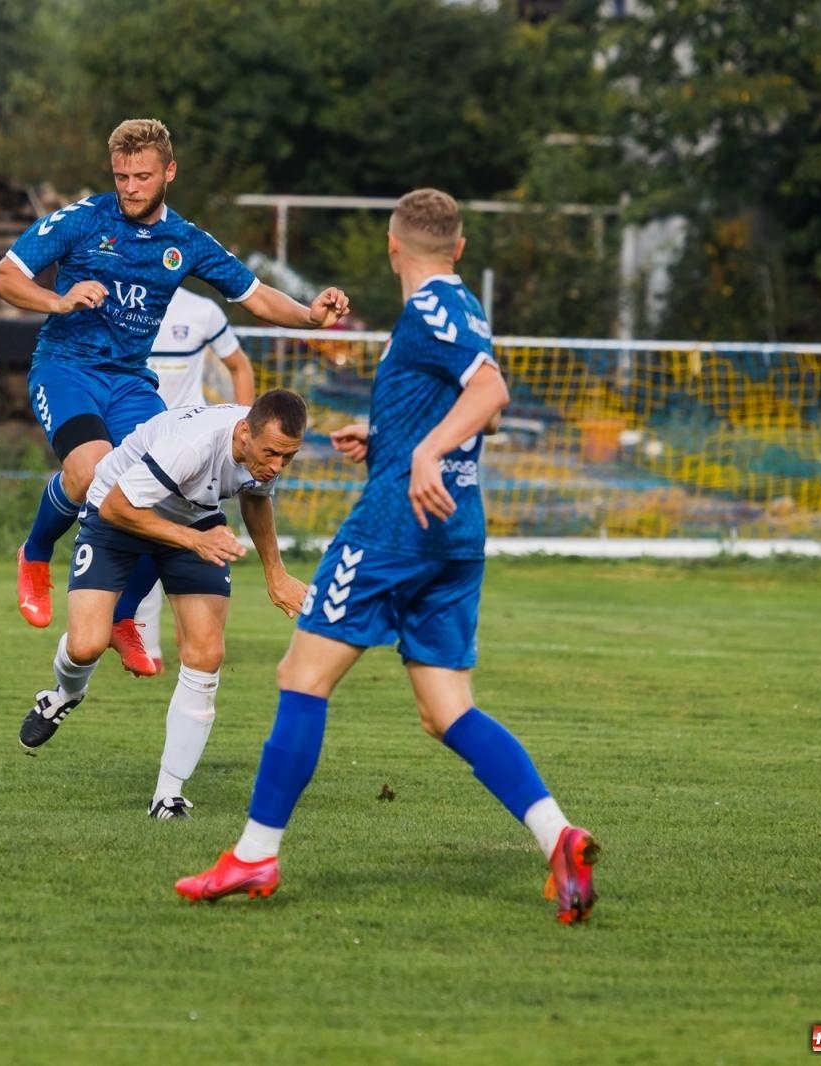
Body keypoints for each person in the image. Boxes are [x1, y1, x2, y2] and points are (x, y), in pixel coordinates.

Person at [174, 189, 600, 924]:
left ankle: (253, 854)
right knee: (446, 711)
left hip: (393, 532)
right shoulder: (467, 309)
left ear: (392, 247)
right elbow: (488, 412)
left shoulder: (430, 309)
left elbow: (489, 391)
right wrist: (393, 442)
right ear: (460, 248)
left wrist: (424, 453)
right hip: (457, 532)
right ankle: (558, 837)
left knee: (301, 676)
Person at [0, 118, 347, 679]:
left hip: (131, 379)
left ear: (169, 173)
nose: (130, 187)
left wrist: (309, 316)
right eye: (121, 176)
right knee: (89, 475)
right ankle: (35, 554)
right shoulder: (83, 220)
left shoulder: (184, 240)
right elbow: (4, 277)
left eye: (142, 176)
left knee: (171, 492)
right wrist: (58, 302)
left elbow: (253, 296)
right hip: (67, 368)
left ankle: (124, 616)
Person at [18, 390, 309, 821]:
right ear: (244, 432)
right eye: (271, 455)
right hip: (117, 512)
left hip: (194, 517)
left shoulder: (265, 448)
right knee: (85, 646)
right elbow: (119, 507)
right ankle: (62, 694)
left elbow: (255, 498)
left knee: (207, 653)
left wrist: (276, 575)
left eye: (287, 459)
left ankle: (168, 796)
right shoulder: (191, 446)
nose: (275, 467)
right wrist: (195, 541)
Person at [117, 287, 256, 676]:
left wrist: (247, 430)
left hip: (198, 451)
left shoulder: (202, 311)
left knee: (189, 540)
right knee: (142, 535)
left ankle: (183, 640)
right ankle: (145, 643)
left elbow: (240, 366)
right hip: (141, 442)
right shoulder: (121, 304)